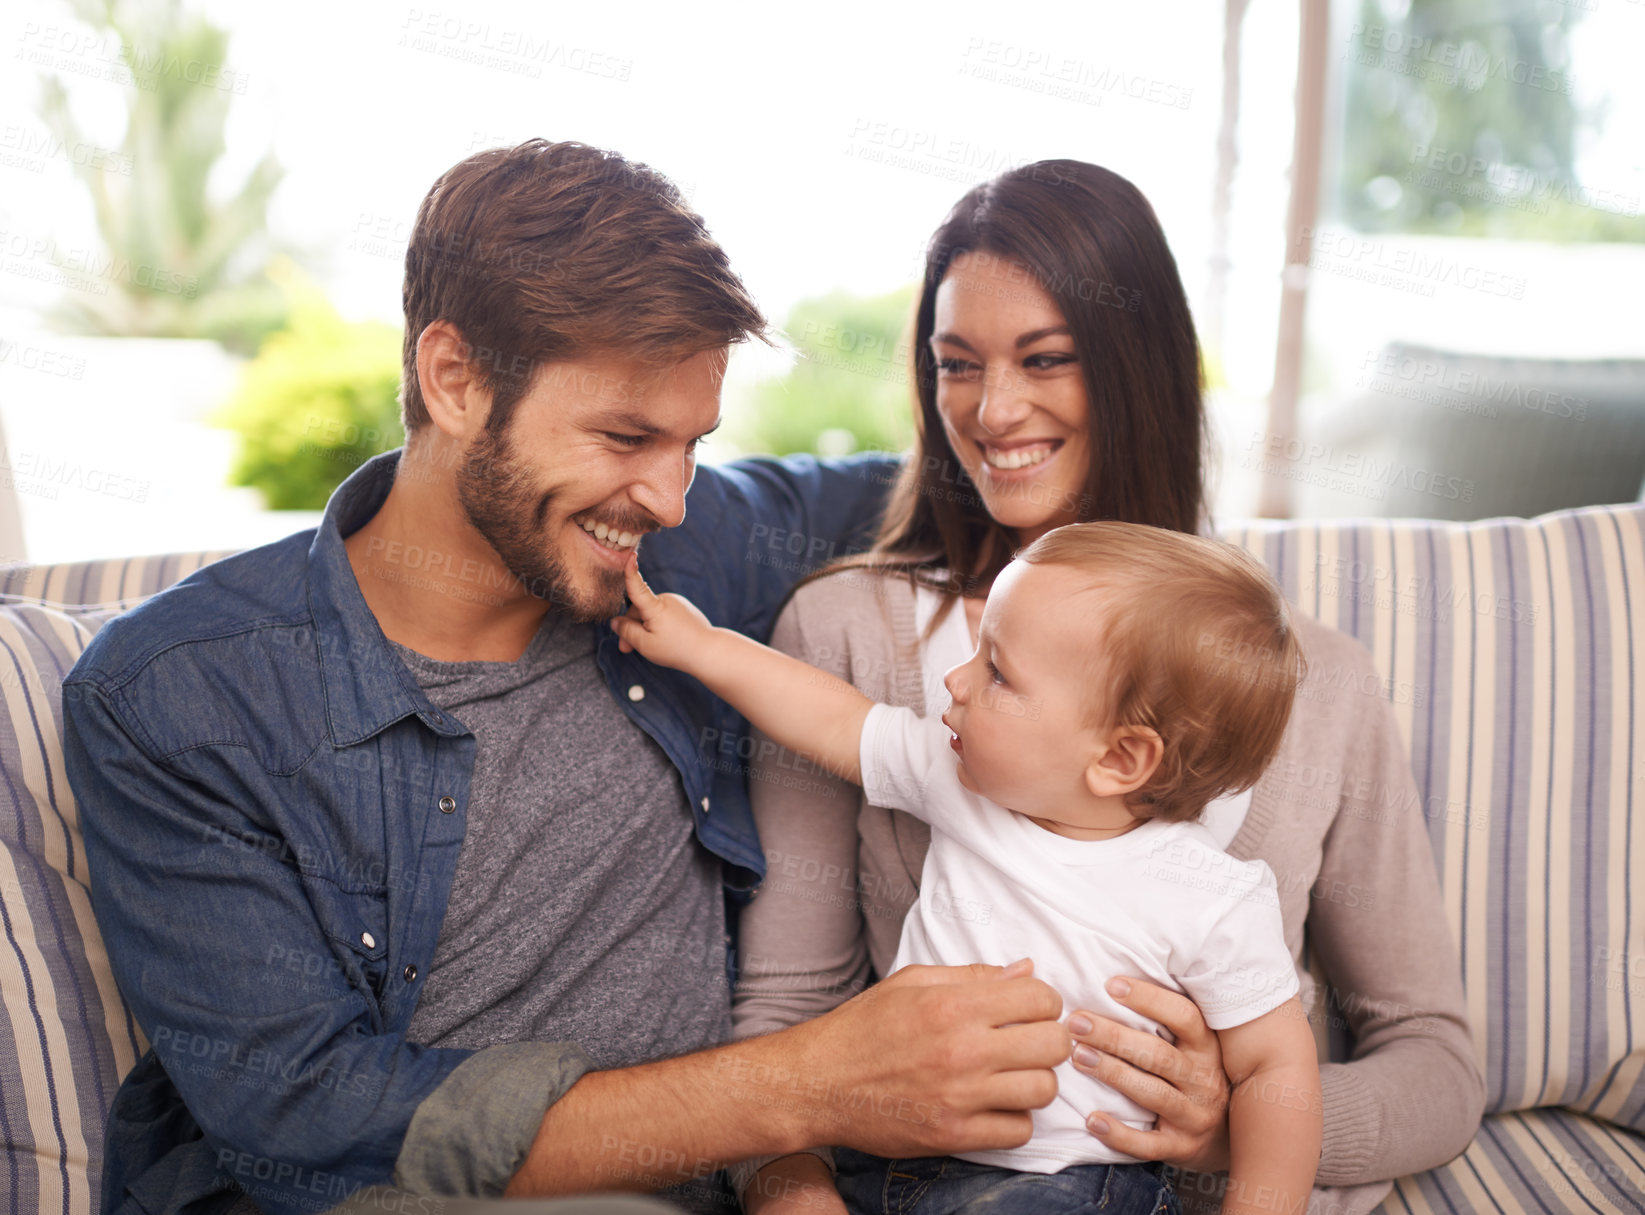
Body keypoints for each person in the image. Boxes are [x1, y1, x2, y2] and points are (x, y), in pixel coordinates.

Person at [60, 139, 1078, 1215]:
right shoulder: (178, 699)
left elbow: (975, 474)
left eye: (692, 443)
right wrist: (809, 1087)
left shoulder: (687, 554)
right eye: (625, 435)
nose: (671, 496)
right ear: (454, 380)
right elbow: (308, 1115)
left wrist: (1208, 1083)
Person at [729, 161, 1485, 1215]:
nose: (992, 412)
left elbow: (1437, 1066)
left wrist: (1222, 1133)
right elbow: (783, 1019)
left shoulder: (1321, 686)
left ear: (1140, 371)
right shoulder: (846, 632)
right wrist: (795, 1201)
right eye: (956, 365)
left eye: (1047, 359)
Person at [610, 521, 1323, 1215]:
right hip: (879, 1157)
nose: (954, 679)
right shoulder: (956, 778)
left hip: (1062, 1186)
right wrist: (703, 648)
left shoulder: (1211, 896)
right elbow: (834, 720)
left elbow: (1274, 1068)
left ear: (1117, 759)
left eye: (997, 671)